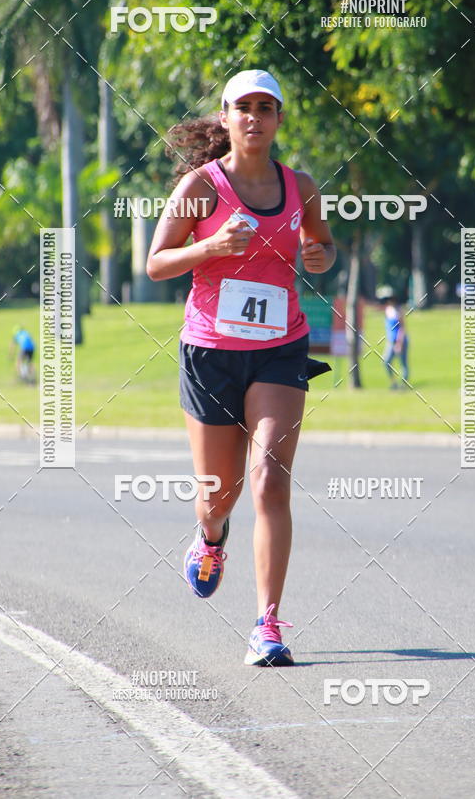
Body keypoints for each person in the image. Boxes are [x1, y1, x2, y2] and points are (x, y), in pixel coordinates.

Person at [147, 69, 335, 666]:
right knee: (217, 497)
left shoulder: (300, 186)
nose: (254, 117)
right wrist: (209, 247)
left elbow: (324, 246)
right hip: (211, 353)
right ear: (225, 119)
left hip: (281, 348)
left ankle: (268, 625)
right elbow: (156, 264)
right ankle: (210, 538)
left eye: (266, 107)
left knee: (270, 479)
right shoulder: (200, 188)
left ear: (279, 119)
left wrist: (318, 253)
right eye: (242, 108)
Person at [381, 294, 409, 388]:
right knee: (386, 362)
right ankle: (394, 383)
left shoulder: (399, 311)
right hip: (391, 341)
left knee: (403, 363)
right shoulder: (388, 310)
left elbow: (402, 328)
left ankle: (404, 384)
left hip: (400, 341)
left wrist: (399, 343)